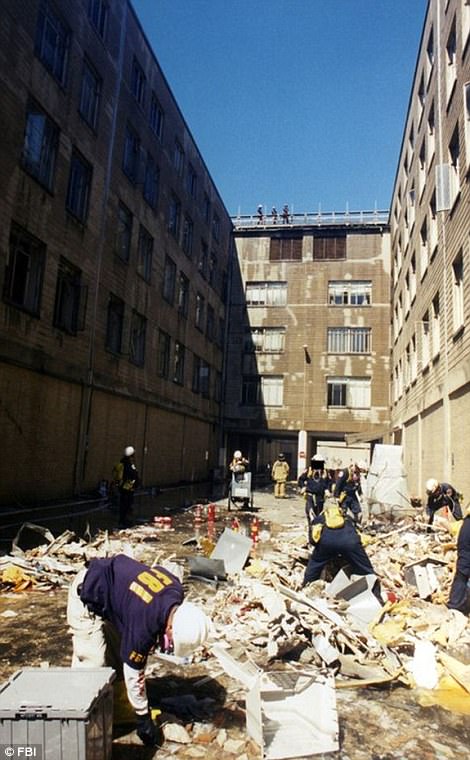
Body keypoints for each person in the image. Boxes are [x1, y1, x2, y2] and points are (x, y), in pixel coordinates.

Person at [67, 554, 212, 747]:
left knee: (117, 655)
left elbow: (157, 574)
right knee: (94, 664)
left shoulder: (175, 590)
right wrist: (143, 717)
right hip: (87, 593)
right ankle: (75, 722)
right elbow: (134, 672)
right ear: (170, 629)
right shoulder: (144, 624)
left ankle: (116, 709)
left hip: (112, 591)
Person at [302, 502, 379, 590]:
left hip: (327, 544)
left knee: (315, 564)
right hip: (350, 543)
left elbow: (313, 540)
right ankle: (375, 591)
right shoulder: (347, 518)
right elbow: (356, 533)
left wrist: (321, 550)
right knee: (365, 568)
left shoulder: (319, 519)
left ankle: (306, 586)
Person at [298, 455, 333, 544]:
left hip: (320, 499)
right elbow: (301, 480)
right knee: (311, 518)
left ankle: (318, 539)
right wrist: (303, 487)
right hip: (310, 497)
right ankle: (311, 540)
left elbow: (329, 482)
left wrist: (328, 490)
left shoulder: (325, 472)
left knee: (319, 519)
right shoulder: (309, 471)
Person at [447, 508, 470, 614]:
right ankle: (455, 606)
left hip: (464, 554)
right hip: (466, 556)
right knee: (462, 578)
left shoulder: (466, 522)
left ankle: (454, 604)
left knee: (461, 577)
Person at [114, 446, 139, 527]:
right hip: (128, 488)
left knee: (123, 505)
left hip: (123, 488)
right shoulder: (129, 465)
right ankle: (125, 521)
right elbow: (134, 476)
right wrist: (136, 483)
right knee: (127, 505)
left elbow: (116, 475)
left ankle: (122, 520)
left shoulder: (121, 464)